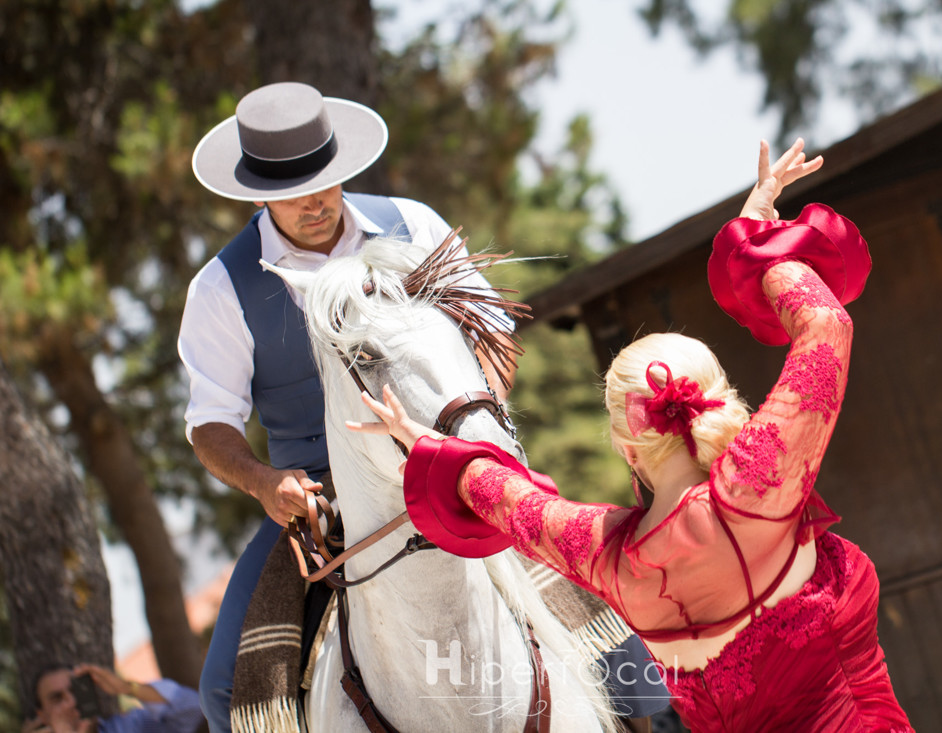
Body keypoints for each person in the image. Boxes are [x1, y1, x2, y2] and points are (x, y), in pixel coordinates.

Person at [353, 138, 914, 731]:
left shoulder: (610, 558)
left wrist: (423, 442)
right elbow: (826, 324)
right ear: (716, 396)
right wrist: (756, 242)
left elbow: (507, 499)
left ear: (626, 448)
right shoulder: (758, 481)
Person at [180, 81, 665, 731]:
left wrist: (471, 432)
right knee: (222, 692)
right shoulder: (221, 287)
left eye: (325, 179)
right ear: (257, 194)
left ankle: (655, 719)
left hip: (454, 460)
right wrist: (266, 482)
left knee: (619, 632)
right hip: (318, 499)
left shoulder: (413, 226)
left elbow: (494, 339)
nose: (316, 201)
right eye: (293, 191)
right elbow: (211, 424)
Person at [23, 664, 203, 733]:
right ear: (43, 715)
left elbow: (195, 712)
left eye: (75, 691)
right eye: (57, 699)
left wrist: (128, 688)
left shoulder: (131, 726)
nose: (71, 702)